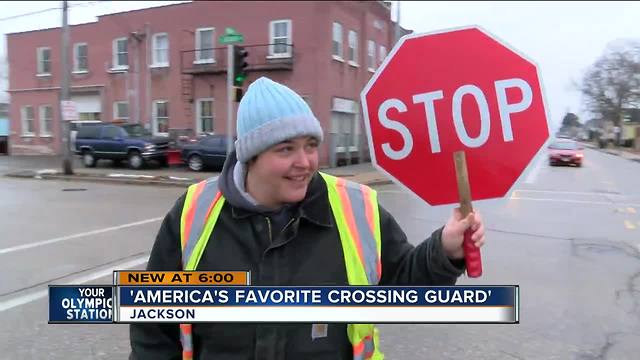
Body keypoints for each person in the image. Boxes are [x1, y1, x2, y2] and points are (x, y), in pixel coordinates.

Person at [129, 77, 486, 360]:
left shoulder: (355, 207)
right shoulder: (193, 212)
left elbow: (405, 287)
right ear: (250, 157)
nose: (305, 162)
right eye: (286, 149)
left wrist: (445, 251)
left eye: (310, 146)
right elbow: (154, 328)